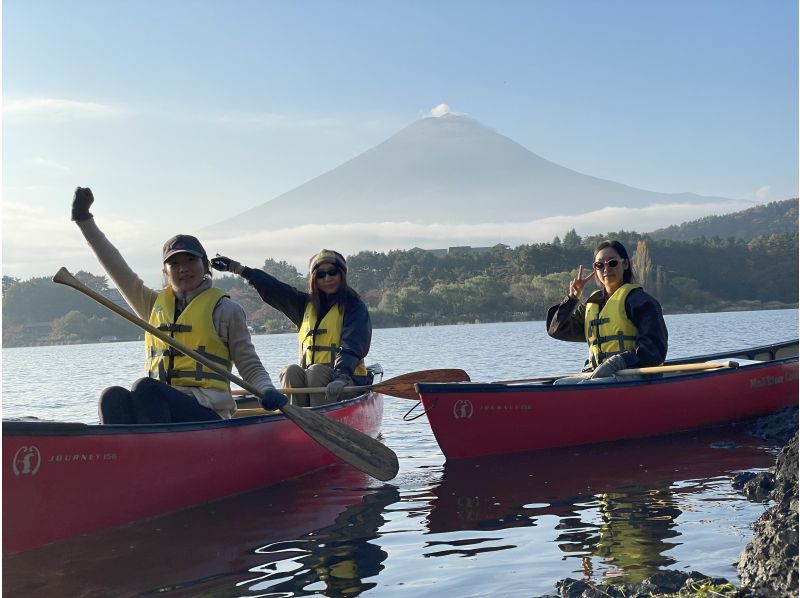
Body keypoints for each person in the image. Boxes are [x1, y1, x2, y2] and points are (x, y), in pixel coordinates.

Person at [70, 187, 287, 423]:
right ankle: (119, 454)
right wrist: (84, 220)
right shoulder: (153, 304)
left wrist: (266, 390)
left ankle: (156, 452)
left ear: (205, 265)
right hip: (159, 407)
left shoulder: (226, 310)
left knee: (146, 388)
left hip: (208, 412)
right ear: (165, 271)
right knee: (112, 397)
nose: (183, 268)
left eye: (190, 260)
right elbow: (116, 267)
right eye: (174, 263)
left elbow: (249, 363)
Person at [211, 250, 372, 407]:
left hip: (346, 381)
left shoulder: (354, 306)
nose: (327, 278)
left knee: (316, 372)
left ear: (341, 275)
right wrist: (238, 269)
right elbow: (275, 288)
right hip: (313, 380)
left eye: (333, 272)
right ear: (314, 279)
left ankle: (319, 422)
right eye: (321, 275)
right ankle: (298, 419)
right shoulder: (304, 305)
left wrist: (341, 376)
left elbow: (353, 345)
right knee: (291, 371)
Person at [546, 240, 668, 380]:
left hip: (632, 375)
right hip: (597, 374)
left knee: (586, 388)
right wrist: (573, 298)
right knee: (560, 385)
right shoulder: (591, 304)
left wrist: (617, 362)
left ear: (625, 264)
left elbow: (654, 350)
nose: (606, 269)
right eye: (599, 265)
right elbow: (556, 329)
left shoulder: (641, 302)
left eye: (612, 263)